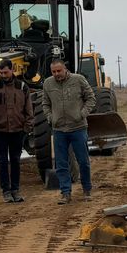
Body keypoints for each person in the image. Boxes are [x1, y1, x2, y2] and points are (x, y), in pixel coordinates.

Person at [41, 57, 94, 204]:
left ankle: (87, 190)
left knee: (83, 161)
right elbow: (45, 103)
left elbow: (91, 98)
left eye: (59, 70)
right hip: (59, 130)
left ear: (65, 69)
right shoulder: (48, 83)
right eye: (54, 71)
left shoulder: (78, 80)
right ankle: (65, 193)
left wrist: (82, 114)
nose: (56, 74)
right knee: (61, 163)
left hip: (78, 128)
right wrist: (51, 118)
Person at [0, 60, 32, 203]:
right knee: (2, 162)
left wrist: (27, 128)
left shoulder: (22, 87)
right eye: (1, 72)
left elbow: (29, 109)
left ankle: (16, 190)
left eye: (6, 72)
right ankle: (6, 191)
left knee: (16, 161)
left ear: (12, 70)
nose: (3, 75)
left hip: (17, 131)